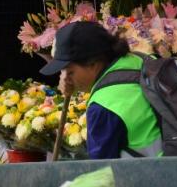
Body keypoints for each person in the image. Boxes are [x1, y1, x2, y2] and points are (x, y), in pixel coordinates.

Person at [39, 21, 162, 159]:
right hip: (176, 157)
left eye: (70, 72)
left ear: (92, 63)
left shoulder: (103, 106)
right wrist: (71, 78)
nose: (66, 79)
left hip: (155, 171)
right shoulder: (139, 59)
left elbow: (101, 168)